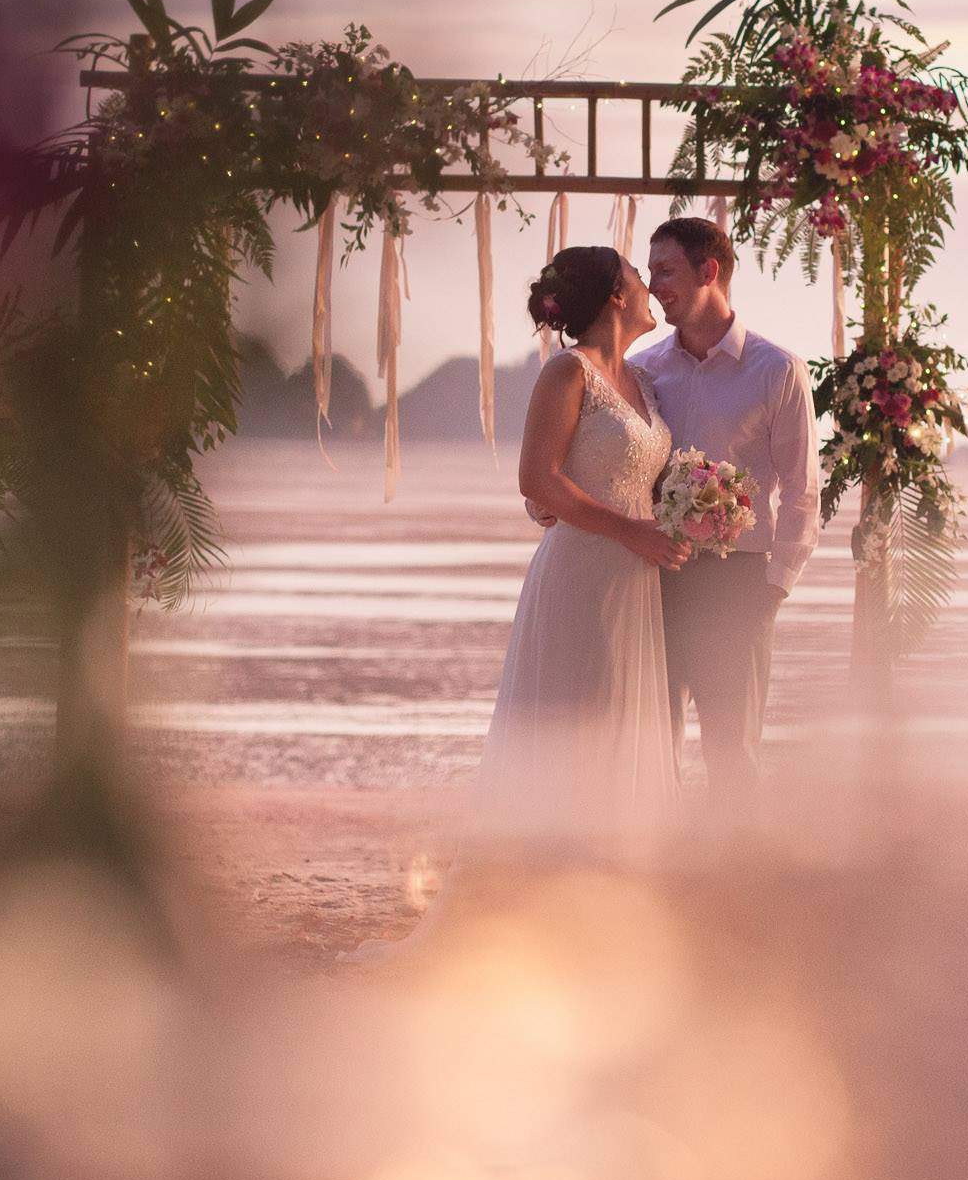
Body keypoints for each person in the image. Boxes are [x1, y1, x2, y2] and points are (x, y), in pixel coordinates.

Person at [343, 245, 684, 962]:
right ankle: (543, 913)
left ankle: (610, 904)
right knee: (572, 731)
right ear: (615, 296)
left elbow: (632, 475)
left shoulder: (644, 383)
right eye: (637, 275)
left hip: (636, 584)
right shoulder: (570, 372)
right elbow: (537, 481)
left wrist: (692, 514)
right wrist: (629, 528)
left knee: (621, 730)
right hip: (583, 578)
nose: (650, 286)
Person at [533, 217, 819, 815]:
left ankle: (734, 879)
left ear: (708, 271)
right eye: (649, 272)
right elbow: (597, 451)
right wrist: (550, 498)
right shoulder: (645, 372)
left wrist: (774, 586)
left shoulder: (777, 370)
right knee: (648, 739)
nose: (656, 284)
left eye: (666, 270)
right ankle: (662, 865)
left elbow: (802, 491)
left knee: (731, 746)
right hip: (648, 576)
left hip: (738, 581)